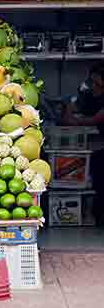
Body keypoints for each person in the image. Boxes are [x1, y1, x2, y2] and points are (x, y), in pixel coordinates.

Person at [62, 62, 104, 226]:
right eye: (92, 83)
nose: (94, 87)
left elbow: (95, 119)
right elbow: (67, 116)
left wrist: (77, 120)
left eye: (98, 84)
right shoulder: (88, 96)